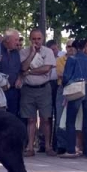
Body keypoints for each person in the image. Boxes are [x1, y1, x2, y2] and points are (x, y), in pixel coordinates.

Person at [19, 29, 56, 157]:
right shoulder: (23, 52)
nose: (36, 41)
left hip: (44, 88)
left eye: (39, 39)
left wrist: (29, 72)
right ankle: (30, 147)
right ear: (30, 39)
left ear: (43, 39)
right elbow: (23, 67)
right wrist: (31, 54)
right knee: (30, 119)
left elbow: (46, 69)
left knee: (45, 118)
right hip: (28, 89)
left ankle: (47, 146)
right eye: (34, 39)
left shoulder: (48, 52)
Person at [61, 39, 87, 158]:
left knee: (70, 121)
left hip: (76, 89)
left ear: (75, 48)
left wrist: (64, 87)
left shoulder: (72, 59)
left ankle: (71, 150)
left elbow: (66, 76)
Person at [0, 29, 22, 117]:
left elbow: (19, 69)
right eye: (16, 40)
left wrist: (19, 78)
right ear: (7, 39)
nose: (17, 42)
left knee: (13, 117)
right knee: (0, 117)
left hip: (13, 91)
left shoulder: (16, 52)